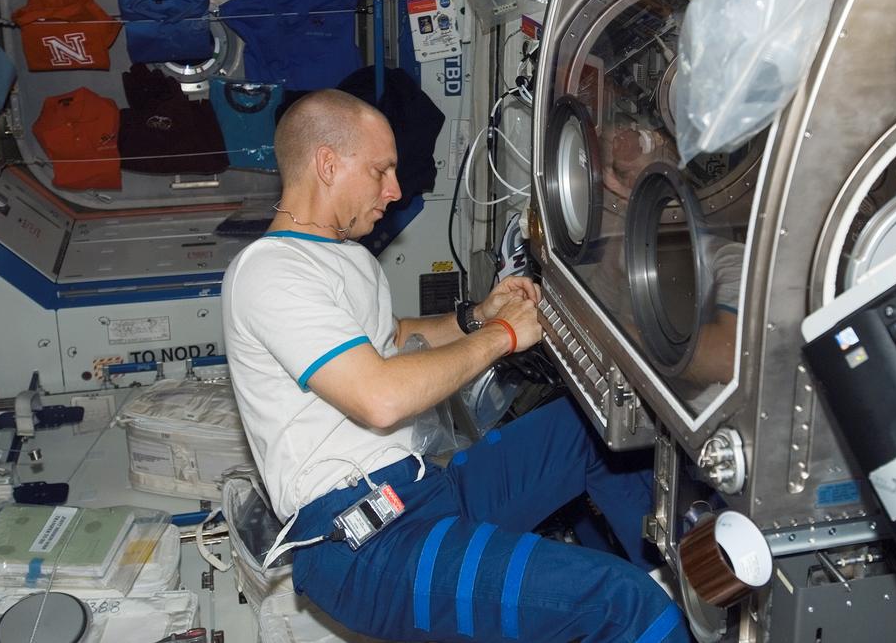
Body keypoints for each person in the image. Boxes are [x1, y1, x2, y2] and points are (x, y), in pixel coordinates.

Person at [222, 89, 690, 643]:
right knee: (625, 607)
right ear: (327, 164)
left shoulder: (343, 256)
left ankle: (671, 575)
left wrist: (475, 315)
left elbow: (391, 338)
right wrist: (502, 335)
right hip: (364, 544)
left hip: (421, 490)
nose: (395, 191)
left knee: (587, 429)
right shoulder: (270, 270)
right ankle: (647, 613)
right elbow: (379, 394)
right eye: (382, 170)